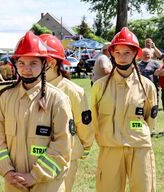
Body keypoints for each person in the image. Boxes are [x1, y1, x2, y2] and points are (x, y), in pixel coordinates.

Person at [0, 31, 73, 192]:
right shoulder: (6, 98)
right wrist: (7, 171)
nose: (27, 69)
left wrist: (35, 176)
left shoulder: (58, 99)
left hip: (48, 185)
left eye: (33, 63)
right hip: (14, 183)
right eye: (22, 63)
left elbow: (63, 144)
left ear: (44, 65)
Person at [91, 27, 157, 192]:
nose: (121, 57)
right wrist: (106, 140)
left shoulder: (147, 86)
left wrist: (137, 135)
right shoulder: (100, 86)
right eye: (117, 52)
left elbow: (150, 119)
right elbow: (95, 118)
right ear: (111, 53)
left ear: (136, 53)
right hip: (110, 148)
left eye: (127, 52)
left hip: (140, 147)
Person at [40, 34, 94, 192]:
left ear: (52, 62)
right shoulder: (30, 89)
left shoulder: (73, 91)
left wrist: (85, 147)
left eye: (38, 60)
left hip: (65, 157)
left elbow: (83, 124)